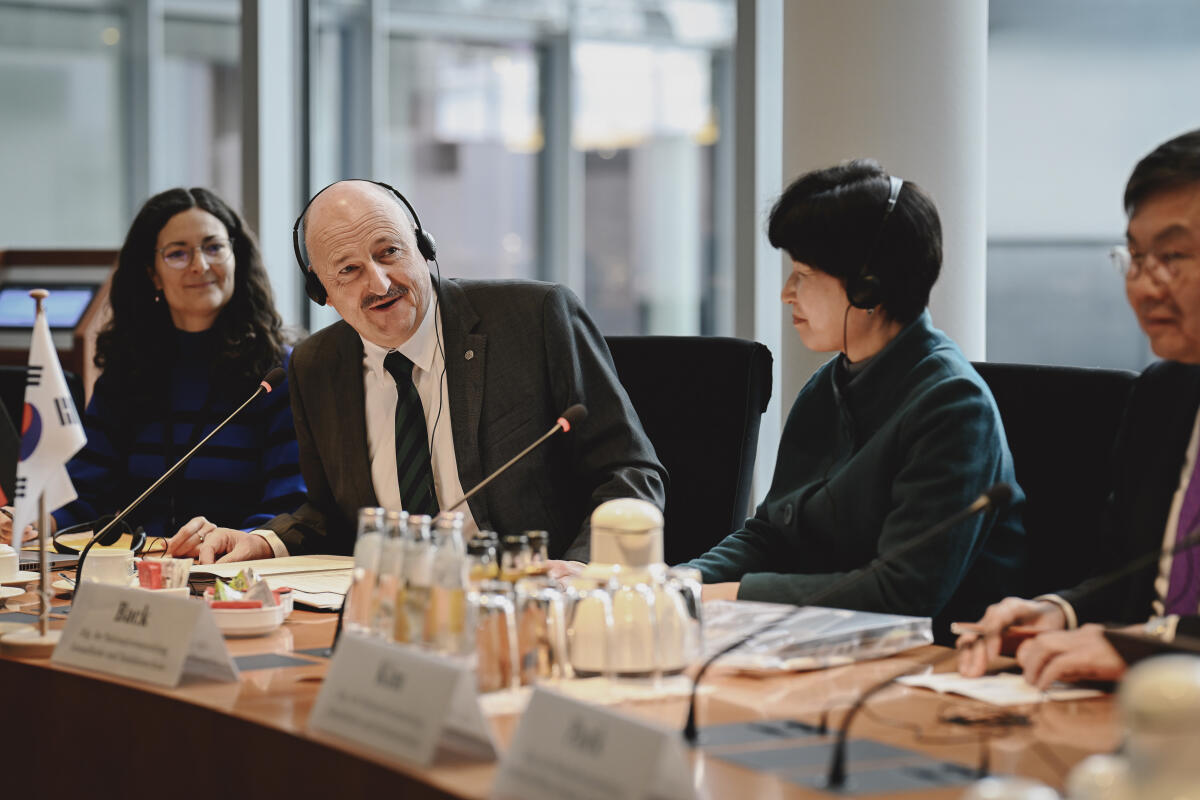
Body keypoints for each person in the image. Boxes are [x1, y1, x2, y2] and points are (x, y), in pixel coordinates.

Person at [174, 179, 666, 562]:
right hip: (394, 611)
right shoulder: (316, 364)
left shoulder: (534, 318)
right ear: (320, 291)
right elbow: (331, 514)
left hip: (531, 597)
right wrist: (262, 541)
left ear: (423, 246)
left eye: (389, 252)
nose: (380, 281)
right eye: (348, 270)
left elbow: (629, 472)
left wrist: (583, 568)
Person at [685, 160, 1026, 640]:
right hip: (827, 646)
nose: (787, 293)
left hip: (934, 670)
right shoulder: (829, 385)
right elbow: (771, 533)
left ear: (868, 287)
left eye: (803, 273)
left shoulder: (953, 406)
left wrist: (733, 595)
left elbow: (904, 594)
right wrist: (679, 581)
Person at [957, 129, 1200, 685]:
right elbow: (1129, 577)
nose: (1143, 285)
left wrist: (1143, 649)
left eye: (1172, 256)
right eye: (1135, 257)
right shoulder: (1161, 398)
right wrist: (1060, 612)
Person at [1, 187, 306, 563]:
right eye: (178, 253)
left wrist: (238, 540)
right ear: (153, 274)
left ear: (236, 258)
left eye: (214, 248)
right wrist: (33, 519)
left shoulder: (279, 374)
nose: (199, 265)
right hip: (142, 568)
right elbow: (86, 488)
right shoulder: (128, 369)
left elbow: (291, 501)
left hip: (235, 569)